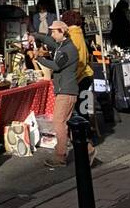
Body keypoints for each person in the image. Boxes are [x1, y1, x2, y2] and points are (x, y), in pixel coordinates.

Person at [34, 20, 95, 168]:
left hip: (66, 91)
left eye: (54, 31)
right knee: (67, 123)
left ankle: (60, 155)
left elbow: (56, 65)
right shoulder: (62, 45)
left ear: (62, 31)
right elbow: (50, 40)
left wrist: (40, 58)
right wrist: (34, 35)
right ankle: (88, 149)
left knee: (58, 122)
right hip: (65, 90)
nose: (52, 34)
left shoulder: (69, 49)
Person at [62, 10, 97, 143]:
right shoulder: (78, 32)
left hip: (80, 77)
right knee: (83, 109)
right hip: (85, 75)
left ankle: (85, 138)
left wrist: (72, 78)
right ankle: (87, 136)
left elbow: (80, 59)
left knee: (80, 110)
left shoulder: (73, 35)